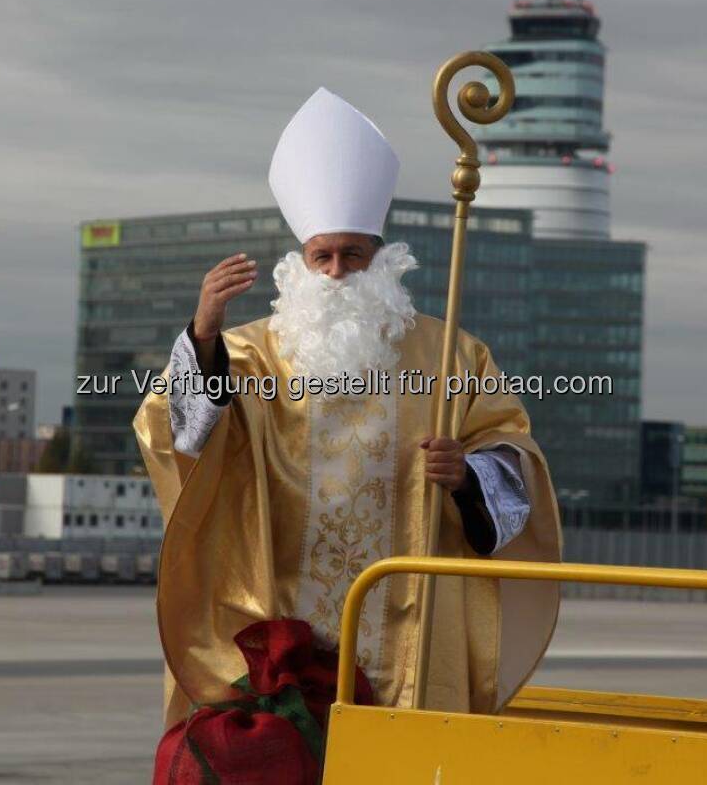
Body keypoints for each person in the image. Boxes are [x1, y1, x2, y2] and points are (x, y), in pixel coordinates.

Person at [136, 88, 561, 737]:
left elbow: (512, 454)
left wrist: (469, 476)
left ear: (380, 257)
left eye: (353, 255)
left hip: (409, 634)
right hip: (281, 623)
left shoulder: (451, 353)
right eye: (323, 256)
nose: (337, 271)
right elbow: (182, 437)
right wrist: (202, 336)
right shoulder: (247, 353)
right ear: (302, 262)